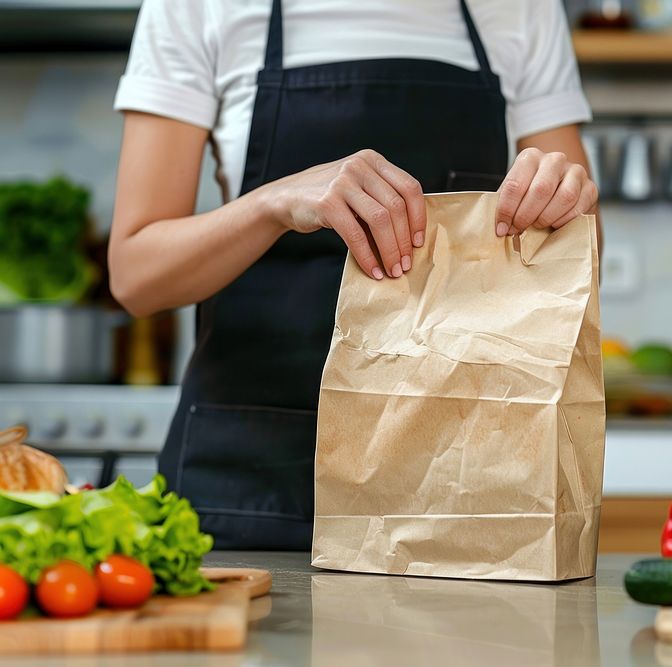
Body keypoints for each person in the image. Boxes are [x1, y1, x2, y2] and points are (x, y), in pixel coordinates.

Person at [109, 0, 600, 550]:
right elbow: (135, 276)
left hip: (457, 468)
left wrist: (561, 196)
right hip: (250, 473)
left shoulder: (521, 9)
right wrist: (272, 202)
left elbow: (579, 252)